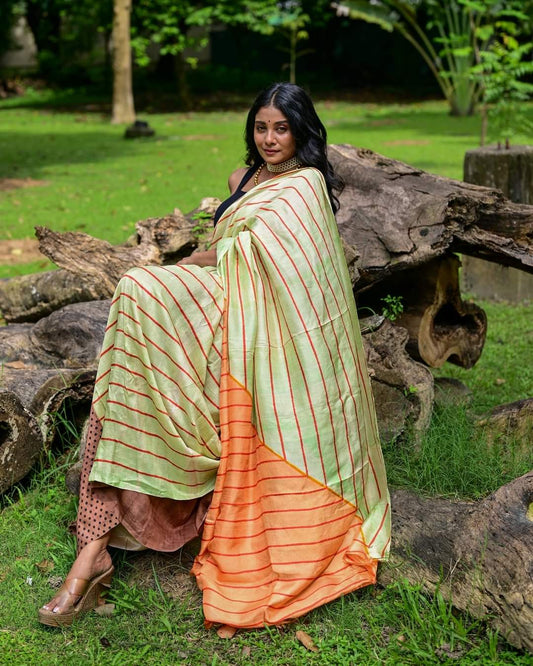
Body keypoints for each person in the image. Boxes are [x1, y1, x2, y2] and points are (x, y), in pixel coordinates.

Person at [39, 82, 390, 629]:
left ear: (302, 130)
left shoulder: (305, 187)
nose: (270, 138)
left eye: (281, 127)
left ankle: (93, 560)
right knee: (135, 303)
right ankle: (93, 550)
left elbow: (303, 278)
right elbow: (225, 250)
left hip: (264, 329)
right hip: (225, 300)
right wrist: (177, 270)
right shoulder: (242, 180)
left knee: (138, 294)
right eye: (261, 126)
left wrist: (188, 275)